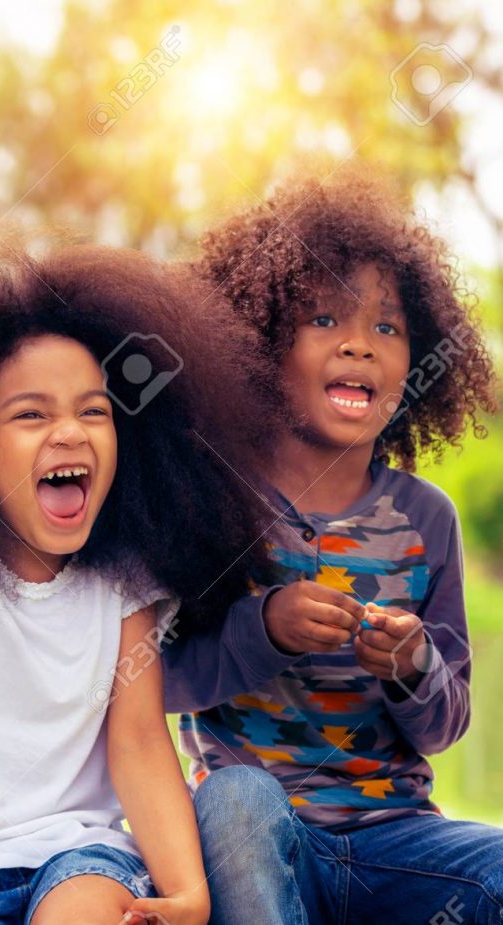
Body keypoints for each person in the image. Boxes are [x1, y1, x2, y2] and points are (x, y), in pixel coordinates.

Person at [0, 58, 285, 925]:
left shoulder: (123, 581)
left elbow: (140, 741)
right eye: (31, 415)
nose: (68, 433)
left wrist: (184, 891)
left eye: (93, 413)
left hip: (81, 858)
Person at [163, 170, 501, 924]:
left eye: (387, 327)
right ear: (257, 343)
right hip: (261, 838)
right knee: (236, 800)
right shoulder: (218, 502)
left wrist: (413, 666)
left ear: (417, 363)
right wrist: (263, 627)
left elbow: (446, 725)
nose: (359, 343)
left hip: (398, 841)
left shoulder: (426, 519)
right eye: (325, 319)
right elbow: (160, 680)